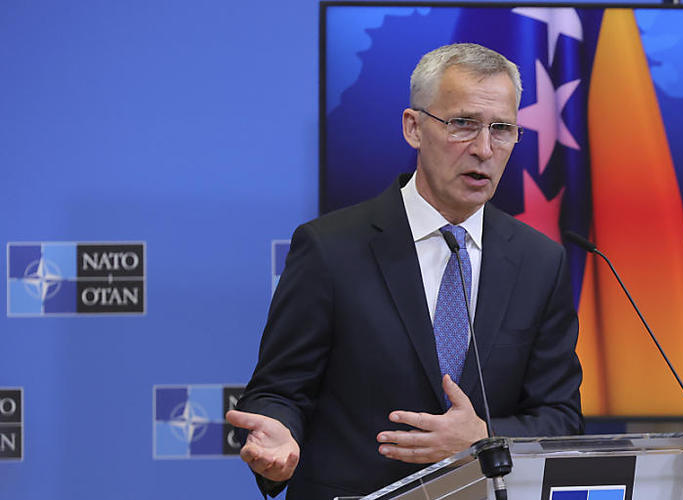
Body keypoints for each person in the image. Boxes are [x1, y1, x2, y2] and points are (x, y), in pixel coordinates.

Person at [226, 43, 583, 499]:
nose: (484, 148)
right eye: (463, 124)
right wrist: (276, 439)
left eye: (503, 129)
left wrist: (481, 438)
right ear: (414, 127)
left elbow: (561, 417)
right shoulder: (330, 248)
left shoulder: (541, 261)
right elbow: (280, 390)